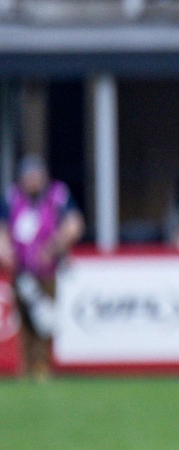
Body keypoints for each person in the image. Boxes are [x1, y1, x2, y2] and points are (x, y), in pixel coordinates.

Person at [0, 154, 84, 380]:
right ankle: (25, 367)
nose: (33, 181)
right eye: (29, 177)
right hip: (20, 269)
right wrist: (6, 250)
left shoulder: (57, 194)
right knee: (24, 318)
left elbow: (74, 224)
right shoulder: (12, 197)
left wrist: (52, 248)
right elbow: (3, 228)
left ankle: (43, 367)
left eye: (37, 176)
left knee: (46, 318)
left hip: (47, 270)